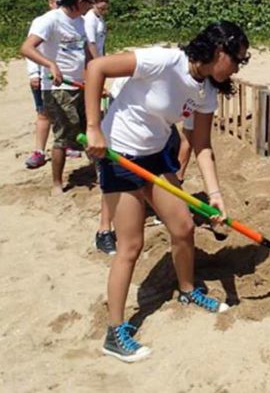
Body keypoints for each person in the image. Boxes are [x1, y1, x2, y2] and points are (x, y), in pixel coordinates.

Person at [83, 21, 250, 363]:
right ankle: (115, 332)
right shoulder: (164, 60)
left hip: (156, 156)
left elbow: (201, 145)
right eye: (238, 60)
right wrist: (93, 128)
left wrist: (214, 192)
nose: (237, 67)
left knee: (184, 227)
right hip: (119, 154)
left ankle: (187, 290)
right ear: (220, 52)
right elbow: (96, 67)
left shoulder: (207, 90)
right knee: (131, 245)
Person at [20, 0, 95, 195]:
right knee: (64, 135)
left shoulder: (81, 21)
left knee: (90, 128)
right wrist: (49, 64)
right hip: (57, 87)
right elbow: (26, 48)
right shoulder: (49, 20)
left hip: (80, 84)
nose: (91, 5)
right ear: (79, 1)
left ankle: (99, 172)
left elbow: (88, 53)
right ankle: (56, 183)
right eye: (89, 1)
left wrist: (96, 80)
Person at [84, 0, 117, 255]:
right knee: (96, 120)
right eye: (101, 2)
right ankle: (104, 229)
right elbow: (91, 46)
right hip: (94, 68)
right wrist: (100, 66)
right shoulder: (89, 20)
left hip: (101, 66)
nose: (104, 6)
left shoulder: (100, 19)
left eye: (107, 3)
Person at [24, 0, 61, 169]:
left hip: (63, 77)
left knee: (65, 114)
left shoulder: (70, 21)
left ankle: (65, 145)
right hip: (43, 74)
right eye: (57, 2)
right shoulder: (42, 21)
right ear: (50, 2)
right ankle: (39, 151)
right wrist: (33, 74)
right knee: (43, 113)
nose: (59, 7)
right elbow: (31, 49)